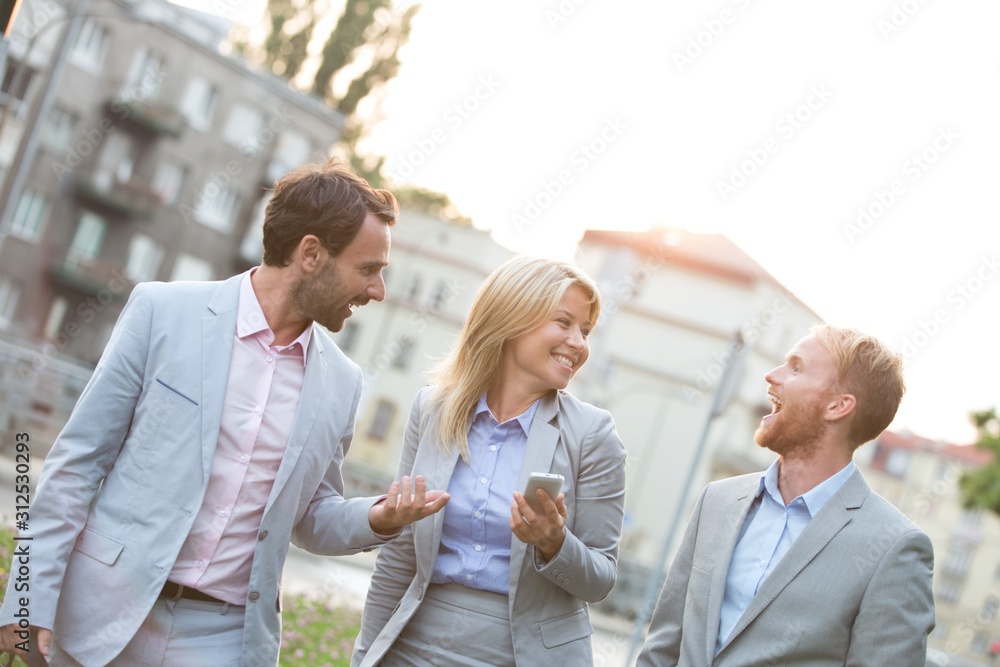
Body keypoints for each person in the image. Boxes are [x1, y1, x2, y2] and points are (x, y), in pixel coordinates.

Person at [0, 158, 449, 666]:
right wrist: (27, 596)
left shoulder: (342, 383)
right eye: (367, 269)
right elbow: (78, 464)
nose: (377, 291)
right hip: (102, 618)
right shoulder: (162, 313)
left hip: (225, 641)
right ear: (310, 254)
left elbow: (311, 516)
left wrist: (379, 518)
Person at [352, 256, 627, 666]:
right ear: (512, 317)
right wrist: (365, 657)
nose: (579, 343)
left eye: (584, 331)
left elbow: (600, 580)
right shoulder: (433, 409)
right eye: (564, 322)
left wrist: (554, 544)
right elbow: (400, 553)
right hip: (412, 648)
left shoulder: (593, 434)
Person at [636, 324, 935, 666]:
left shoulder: (895, 549)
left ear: (838, 406)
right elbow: (662, 648)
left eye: (796, 368)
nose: (771, 375)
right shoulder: (716, 500)